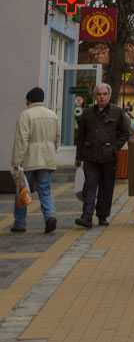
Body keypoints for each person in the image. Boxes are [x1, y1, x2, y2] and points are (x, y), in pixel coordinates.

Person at [74, 83, 130, 229]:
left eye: (104, 94)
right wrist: (78, 156)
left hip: (108, 157)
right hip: (90, 156)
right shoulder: (87, 113)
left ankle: (102, 215)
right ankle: (86, 216)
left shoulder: (117, 112)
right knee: (90, 186)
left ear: (109, 95)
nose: (102, 97)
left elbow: (124, 133)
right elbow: (80, 136)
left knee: (106, 188)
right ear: (95, 96)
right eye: (99, 94)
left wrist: (114, 148)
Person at [10, 87, 59, 234]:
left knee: (22, 190)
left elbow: (21, 141)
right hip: (47, 159)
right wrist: (52, 152)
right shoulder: (53, 115)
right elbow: (57, 138)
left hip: (29, 160)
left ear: (29, 100)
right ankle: (50, 216)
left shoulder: (25, 115)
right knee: (45, 190)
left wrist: (16, 162)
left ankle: (20, 223)